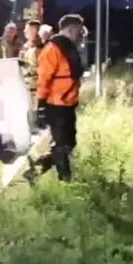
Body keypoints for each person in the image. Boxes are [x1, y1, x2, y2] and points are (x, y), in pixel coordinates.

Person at [29, 14, 87, 181]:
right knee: (61, 145)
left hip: (68, 104)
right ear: (70, 29)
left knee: (69, 144)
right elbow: (44, 78)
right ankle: (65, 181)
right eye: (79, 30)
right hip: (56, 104)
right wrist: (40, 105)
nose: (81, 34)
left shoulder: (68, 48)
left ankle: (35, 170)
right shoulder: (53, 49)